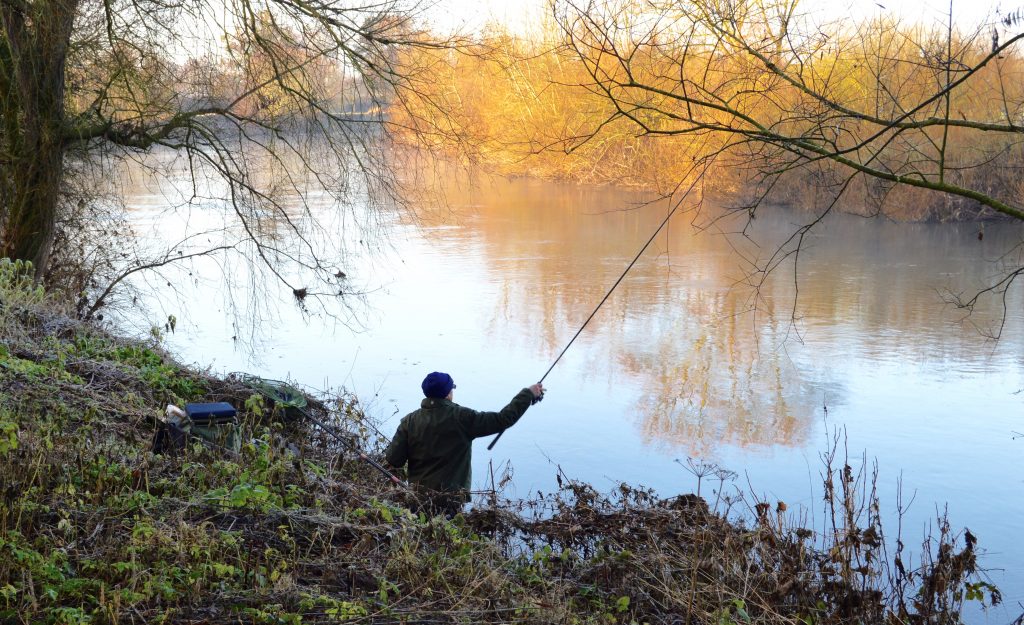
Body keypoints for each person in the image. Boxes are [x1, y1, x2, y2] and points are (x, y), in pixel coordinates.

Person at [385, 371, 544, 516]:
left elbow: (394, 459)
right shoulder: (462, 418)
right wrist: (528, 394)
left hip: (417, 499)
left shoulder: (409, 421)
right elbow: (503, 419)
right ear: (448, 394)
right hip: (451, 502)